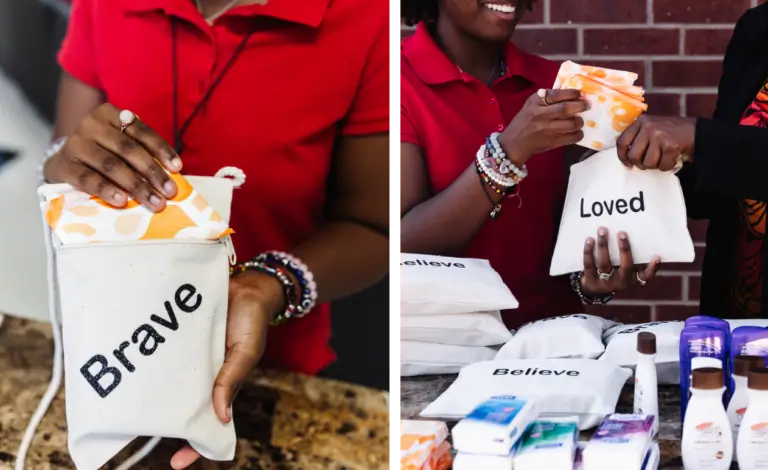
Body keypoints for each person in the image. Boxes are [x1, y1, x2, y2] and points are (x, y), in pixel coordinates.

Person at [43, 0, 396, 467]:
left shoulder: (367, 17)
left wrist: (266, 286)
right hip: (113, 356)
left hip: (269, 371)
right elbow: (63, 162)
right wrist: (66, 161)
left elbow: (376, 227)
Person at [399, 0, 661, 328]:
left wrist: (591, 280)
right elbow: (399, 242)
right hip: (439, 345)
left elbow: (569, 238)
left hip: (550, 340)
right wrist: (507, 152)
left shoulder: (559, 85)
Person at [616, 2, 768, 319]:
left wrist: (697, 139)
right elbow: (726, 176)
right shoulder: (758, 28)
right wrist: (635, 172)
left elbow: (711, 146)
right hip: (738, 319)